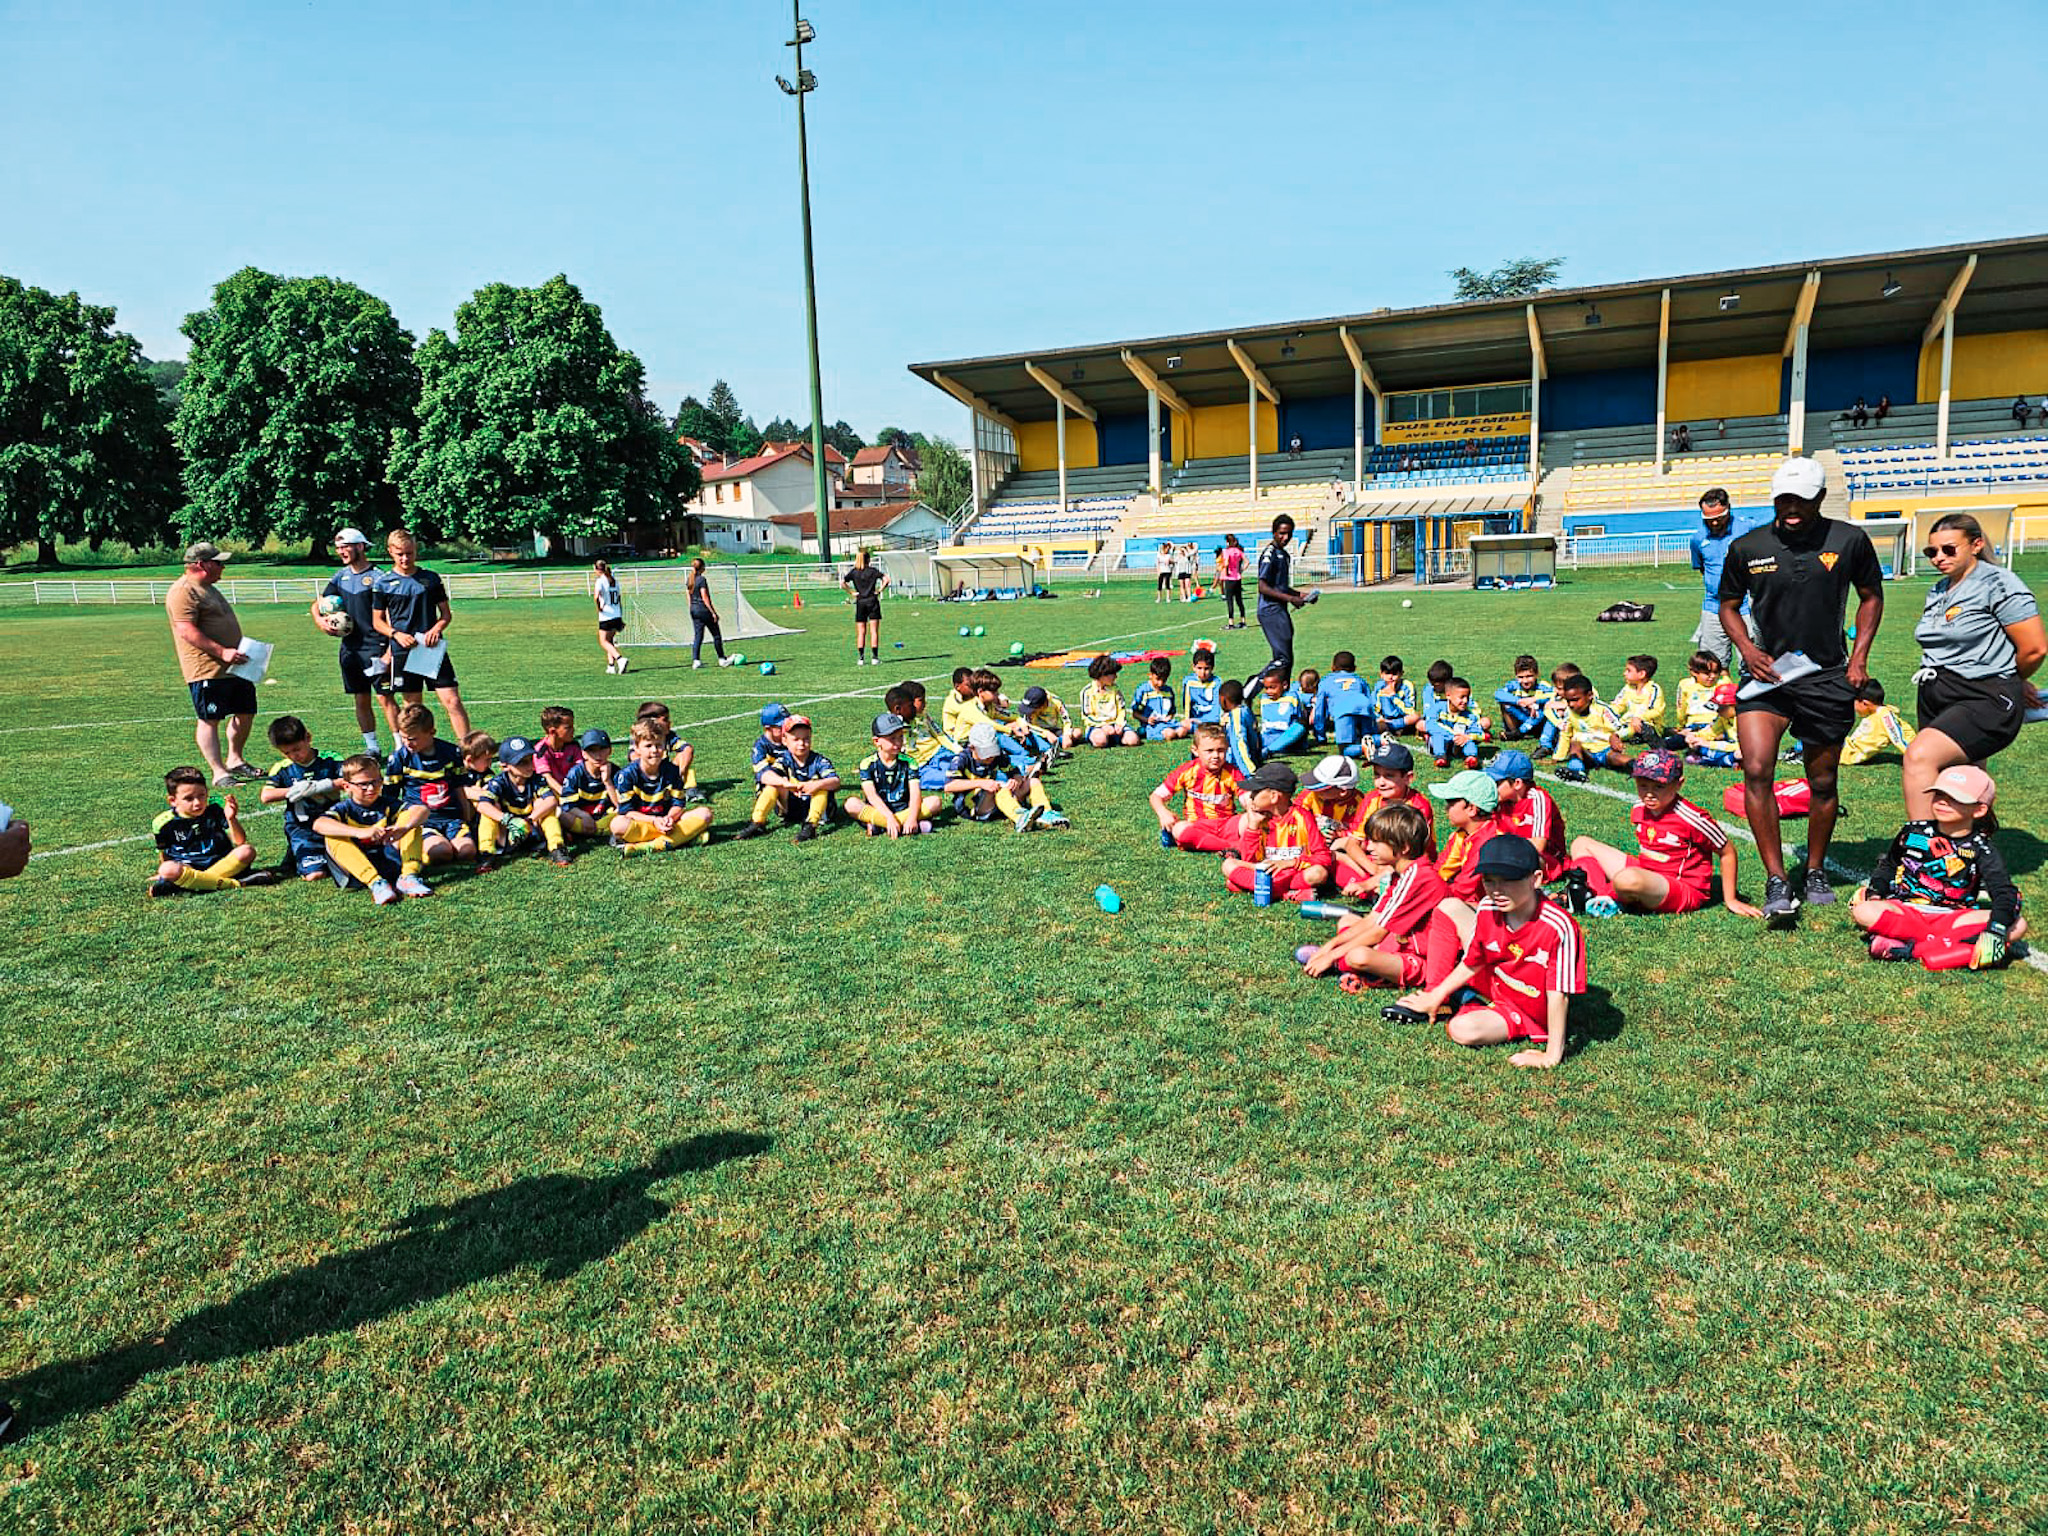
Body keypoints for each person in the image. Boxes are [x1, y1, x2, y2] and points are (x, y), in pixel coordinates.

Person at [1718, 456, 1885, 926]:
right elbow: (1727, 605)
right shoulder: (1747, 546)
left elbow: (1872, 596)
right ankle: (1776, 878)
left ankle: (1814, 871)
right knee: (1756, 770)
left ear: (1819, 499)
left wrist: (1858, 659)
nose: (1791, 509)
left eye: (1801, 501)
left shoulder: (1849, 540)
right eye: (1783, 501)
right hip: (1767, 675)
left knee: (1824, 781)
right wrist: (1747, 649)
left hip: (1827, 674)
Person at [1393, 834, 1584, 1071]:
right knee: (1448, 907)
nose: (1497, 890)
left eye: (1509, 880)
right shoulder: (1487, 907)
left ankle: (1465, 1000)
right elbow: (1473, 960)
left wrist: (1551, 1055)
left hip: (1525, 1008)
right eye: (1489, 881)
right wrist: (1435, 994)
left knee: (1462, 1029)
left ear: (1536, 879)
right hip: (1496, 982)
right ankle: (1441, 996)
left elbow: (1558, 995)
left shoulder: (1558, 925)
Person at [1900, 511, 2045, 819]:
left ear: (1976, 545)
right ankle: (1970, 853)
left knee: (1919, 757)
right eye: (1932, 551)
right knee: (1959, 781)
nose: (1939, 557)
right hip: (1938, 693)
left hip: (1983, 695)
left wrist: (2014, 679)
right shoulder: (1939, 590)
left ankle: (1920, 851)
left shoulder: (1999, 583)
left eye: (1949, 549)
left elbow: (2034, 648)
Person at [1852, 765, 2024, 971]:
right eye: (1939, 794)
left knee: (2018, 925)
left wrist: (1995, 930)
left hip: (1953, 917)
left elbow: (2004, 892)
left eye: (1955, 798)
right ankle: (1954, 947)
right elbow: (1889, 864)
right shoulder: (1913, 831)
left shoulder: (1981, 848)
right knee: (1864, 910)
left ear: (1979, 809)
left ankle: (1911, 948)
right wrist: (1875, 892)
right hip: (1908, 910)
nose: (1943, 801)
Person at [1561, 749, 1760, 919]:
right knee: (1581, 843)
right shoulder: (1640, 806)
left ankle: (1598, 896)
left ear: (1679, 784)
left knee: (1627, 879)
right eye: (1643, 785)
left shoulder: (1692, 818)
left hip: (1682, 888)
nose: (1649, 793)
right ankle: (1591, 895)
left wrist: (1731, 899)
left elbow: (1727, 852)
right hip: (1647, 872)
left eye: (1659, 786)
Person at [1298, 804, 1442, 988]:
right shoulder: (1399, 873)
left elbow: (1378, 931)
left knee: (1358, 956)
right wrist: (1329, 946)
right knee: (1347, 921)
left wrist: (1332, 955)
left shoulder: (1419, 877)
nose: (1368, 846)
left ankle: (1343, 966)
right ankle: (1347, 963)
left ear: (1403, 847)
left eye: (1376, 842)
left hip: (1421, 959)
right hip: (1399, 941)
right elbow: (1374, 918)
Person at [164, 540, 259, 789]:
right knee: (210, 718)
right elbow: (185, 629)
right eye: (218, 563)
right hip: (206, 668)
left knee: (246, 711)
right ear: (200, 564)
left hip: (234, 665)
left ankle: (236, 759)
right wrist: (221, 651)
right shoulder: (183, 590)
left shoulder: (209, 587)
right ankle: (219, 771)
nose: (222, 567)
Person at [371, 530, 472, 740]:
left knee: (452, 700)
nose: (405, 558)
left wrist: (436, 629)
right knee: (413, 707)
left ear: (416, 550)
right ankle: (420, 750)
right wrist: (396, 634)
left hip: (431, 650)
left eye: (409, 553)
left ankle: (467, 747)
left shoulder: (430, 579)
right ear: (390, 552)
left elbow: (445, 615)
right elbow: (377, 622)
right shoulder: (383, 583)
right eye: (400, 554)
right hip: (404, 650)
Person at [312, 527, 397, 753]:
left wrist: (390, 650)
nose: (341, 551)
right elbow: (318, 603)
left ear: (360, 546)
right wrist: (320, 621)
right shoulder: (340, 577)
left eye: (345, 546)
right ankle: (373, 748)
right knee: (361, 699)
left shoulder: (380, 578)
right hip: (350, 650)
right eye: (338, 547)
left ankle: (401, 748)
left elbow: (391, 616)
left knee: (385, 698)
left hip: (376, 647)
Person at [312, 753, 433, 904]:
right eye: (363, 784)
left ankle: (409, 877)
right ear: (346, 786)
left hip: (390, 863)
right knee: (332, 835)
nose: (371, 788)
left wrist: (403, 828)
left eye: (376, 782)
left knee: (411, 820)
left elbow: (422, 810)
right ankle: (376, 884)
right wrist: (361, 832)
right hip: (357, 871)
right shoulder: (344, 809)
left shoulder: (387, 804)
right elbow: (319, 824)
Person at [148, 767, 272, 897]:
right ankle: (235, 883)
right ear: (173, 801)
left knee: (247, 851)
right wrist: (163, 874)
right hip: (189, 867)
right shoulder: (163, 822)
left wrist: (231, 818)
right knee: (167, 869)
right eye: (189, 799)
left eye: (201, 795)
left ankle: (196, 883)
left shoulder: (215, 807)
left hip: (221, 861)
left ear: (207, 792)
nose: (197, 803)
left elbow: (239, 841)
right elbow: (164, 853)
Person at [1221, 762, 1332, 902]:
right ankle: (1286, 894)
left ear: (1274, 796)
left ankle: (1254, 887)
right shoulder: (1258, 819)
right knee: (1228, 864)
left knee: (1318, 873)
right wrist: (1253, 827)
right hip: (1263, 872)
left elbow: (1324, 857)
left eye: (1256, 792)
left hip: (1292, 873)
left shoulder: (1303, 817)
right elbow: (1248, 860)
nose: (1251, 796)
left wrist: (1289, 863)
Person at [386, 703, 476, 869]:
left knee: (467, 852)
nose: (406, 743)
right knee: (441, 853)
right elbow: (389, 797)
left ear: (431, 732)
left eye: (412, 739)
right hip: (422, 821)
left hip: (451, 818)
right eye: (403, 737)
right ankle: (417, 853)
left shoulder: (451, 752)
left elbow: (459, 787)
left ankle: (446, 841)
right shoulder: (400, 758)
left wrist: (466, 816)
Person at [257, 715, 344, 882]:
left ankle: (299, 855)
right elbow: (266, 795)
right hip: (302, 828)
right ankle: (300, 855)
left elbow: (350, 780)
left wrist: (320, 786)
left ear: (308, 738)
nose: (293, 755)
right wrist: (295, 790)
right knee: (315, 875)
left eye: (296, 749)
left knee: (348, 864)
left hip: (334, 823)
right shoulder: (283, 768)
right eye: (287, 752)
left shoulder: (331, 759)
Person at [609, 719, 713, 853]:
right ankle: (681, 838)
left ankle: (647, 846)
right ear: (637, 748)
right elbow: (627, 811)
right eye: (648, 746)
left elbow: (678, 804)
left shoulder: (672, 771)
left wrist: (669, 818)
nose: (654, 750)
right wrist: (654, 820)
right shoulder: (627, 775)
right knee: (617, 825)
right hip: (643, 821)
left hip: (668, 822)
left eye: (659, 745)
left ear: (664, 746)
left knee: (705, 813)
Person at [471, 736, 570, 872]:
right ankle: (486, 854)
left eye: (530, 760)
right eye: (521, 763)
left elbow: (551, 800)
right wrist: (508, 820)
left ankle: (557, 848)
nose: (530, 766)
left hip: (533, 830)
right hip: (508, 835)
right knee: (489, 812)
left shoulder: (537, 779)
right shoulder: (498, 783)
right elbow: (482, 805)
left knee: (545, 807)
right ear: (505, 766)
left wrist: (528, 821)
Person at [738, 714, 842, 842]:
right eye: (796, 739)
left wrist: (817, 785)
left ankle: (811, 826)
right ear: (785, 741)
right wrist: (785, 783)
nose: (802, 744)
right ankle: (757, 822)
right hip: (791, 808)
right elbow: (766, 776)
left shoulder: (820, 761)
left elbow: (836, 782)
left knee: (822, 788)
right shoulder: (784, 759)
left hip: (821, 811)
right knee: (773, 785)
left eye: (806, 739)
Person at [1152, 724, 1245, 851]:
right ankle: (1232, 846)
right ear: (1195, 751)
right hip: (1197, 826)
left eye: (1221, 750)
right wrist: (1163, 813)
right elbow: (1156, 796)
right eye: (1209, 751)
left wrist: (1252, 809)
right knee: (1180, 829)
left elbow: (1246, 798)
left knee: (1251, 821)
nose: (1215, 756)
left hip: (1227, 824)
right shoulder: (1187, 771)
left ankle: (1211, 843)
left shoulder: (1232, 772)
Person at [1689, 489, 1751, 669]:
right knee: (1711, 665)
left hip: (1746, 607)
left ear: (1729, 509)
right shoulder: (1697, 538)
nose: (1714, 522)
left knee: (1752, 663)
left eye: (1719, 517)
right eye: (1708, 519)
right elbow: (1702, 568)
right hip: (1713, 607)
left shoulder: (1748, 529)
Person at [846, 712, 930, 838]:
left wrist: (912, 817)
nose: (898, 742)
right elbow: (872, 796)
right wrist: (889, 817)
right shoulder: (867, 764)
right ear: (876, 741)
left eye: (900, 737)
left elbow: (915, 794)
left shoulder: (910, 762)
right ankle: (899, 824)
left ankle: (880, 825)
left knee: (935, 802)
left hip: (904, 808)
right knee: (851, 804)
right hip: (879, 809)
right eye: (892, 739)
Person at [1488, 750, 1567, 880]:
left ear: (1517, 783)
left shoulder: (1538, 799)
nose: (1491, 788)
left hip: (1545, 859)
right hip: (1510, 852)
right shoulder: (1500, 800)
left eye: (1496, 783)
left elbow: (1538, 845)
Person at [1254, 515, 1310, 685]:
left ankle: (1281, 693)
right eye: (1281, 533)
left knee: (1287, 659)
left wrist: (1301, 595)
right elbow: (1262, 587)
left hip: (1280, 610)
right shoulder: (1269, 554)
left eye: (1289, 534)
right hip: (1270, 611)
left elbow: (1280, 587)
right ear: (1274, 532)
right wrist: (1291, 598)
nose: (1285, 538)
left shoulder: (1284, 555)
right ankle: (1248, 690)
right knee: (1282, 658)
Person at [1551, 675, 1631, 780]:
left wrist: (1615, 736)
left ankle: (1641, 767)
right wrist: (1558, 757)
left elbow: (1623, 728)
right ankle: (1577, 771)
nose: (1571, 704)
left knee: (1617, 758)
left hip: (1605, 751)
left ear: (1589, 695)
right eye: (1568, 701)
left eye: (1575, 700)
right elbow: (1565, 734)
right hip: (1587, 754)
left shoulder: (1603, 710)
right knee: (1575, 744)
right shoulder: (1569, 713)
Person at [556, 729, 618, 842]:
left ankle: (585, 833)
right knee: (561, 814)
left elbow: (620, 805)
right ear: (584, 754)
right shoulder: (575, 773)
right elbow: (567, 804)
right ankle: (602, 831)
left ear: (610, 750)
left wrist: (608, 782)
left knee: (623, 815)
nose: (598, 755)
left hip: (605, 816)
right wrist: (584, 815)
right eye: (592, 751)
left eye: (602, 749)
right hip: (581, 817)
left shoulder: (615, 771)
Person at [1314, 651, 1377, 758]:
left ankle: (1362, 748)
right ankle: (1381, 740)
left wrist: (1320, 736)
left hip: (1343, 710)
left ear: (1332, 667)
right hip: (1364, 707)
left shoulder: (1325, 681)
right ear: (1354, 668)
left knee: (1345, 750)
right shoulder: (1360, 680)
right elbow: (1370, 701)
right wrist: (1374, 729)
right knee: (1368, 738)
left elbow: (1320, 710)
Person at [1841, 679, 1918, 766]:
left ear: (1865, 703)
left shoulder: (1885, 717)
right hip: (1846, 747)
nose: (1853, 708)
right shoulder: (1879, 714)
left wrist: (1918, 758)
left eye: (1853, 703)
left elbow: (1897, 737)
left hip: (1846, 754)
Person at [1426, 677, 1490, 768]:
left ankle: (1471, 758)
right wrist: (1454, 736)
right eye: (1462, 697)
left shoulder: (1470, 715)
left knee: (1469, 741)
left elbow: (1478, 732)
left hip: (1459, 743)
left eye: (1467, 697)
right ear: (1448, 696)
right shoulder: (1438, 708)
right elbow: (1430, 725)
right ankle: (1440, 757)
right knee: (1437, 735)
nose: (1465, 701)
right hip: (1443, 739)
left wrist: (1467, 737)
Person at [842, 548, 890, 666]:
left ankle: (861, 658)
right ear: (868, 559)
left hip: (860, 602)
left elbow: (843, 583)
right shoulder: (873, 571)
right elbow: (887, 579)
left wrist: (852, 592)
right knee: (874, 631)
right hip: (872, 601)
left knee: (861, 632)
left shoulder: (854, 572)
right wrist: (880, 590)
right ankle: (874, 657)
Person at [686, 557, 734, 669]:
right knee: (716, 635)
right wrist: (713, 612)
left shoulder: (690, 579)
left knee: (698, 636)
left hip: (694, 610)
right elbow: (705, 597)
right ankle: (722, 659)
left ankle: (696, 661)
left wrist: (692, 608)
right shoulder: (701, 580)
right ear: (702, 567)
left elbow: (688, 595)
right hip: (703, 610)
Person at [1081, 656, 1139, 747]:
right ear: (1103, 675)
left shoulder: (1115, 690)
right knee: (1100, 740)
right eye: (1113, 674)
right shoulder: (1087, 692)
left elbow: (1121, 709)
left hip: (1115, 725)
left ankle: (1114, 738)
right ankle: (1102, 738)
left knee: (1133, 740)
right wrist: (1103, 726)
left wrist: (1119, 724)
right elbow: (1087, 716)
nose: (1116, 677)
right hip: (1097, 726)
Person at [1494, 654, 1551, 741]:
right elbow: (1498, 694)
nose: (1525, 681)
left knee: (1547, 706)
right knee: (1504, 703)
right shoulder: (1514, 685)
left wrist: (1534, 700)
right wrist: (1519, 701)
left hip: (1538, 721)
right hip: (1520, 719)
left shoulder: (1542, 687)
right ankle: (1514, 731)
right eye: (1520, 677)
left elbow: (1554, 695)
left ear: (1536, 674)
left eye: (1529, 676)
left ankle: (1519, 733)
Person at [1132, 658, 1189, 742]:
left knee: (1182, 731)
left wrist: (1169, 717)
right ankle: (1146, 732)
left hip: (1167, 723)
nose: (1161, 683)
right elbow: (1135, 714)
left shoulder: (1168, 691)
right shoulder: (1143, 690)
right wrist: (1147, 720)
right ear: (1150, 675)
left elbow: (1172, 712)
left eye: (1164, 680)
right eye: (1158, 679)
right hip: (1152, 725)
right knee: (1170, 734)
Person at [1613, 655, 1666, 743]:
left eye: (1628, 671)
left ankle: (1616, 737)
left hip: (1648, 724)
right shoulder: (1627, 688)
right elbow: (1618, 706)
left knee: (1643, 729)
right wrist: (1607, 714)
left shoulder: (1653, 689)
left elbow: (1656, 711)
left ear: (1641, 674)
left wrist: (1639, 718)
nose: (1624, 673)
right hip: (1628, 723)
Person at [1256, 670, 1309, 756]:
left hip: (1288, 739)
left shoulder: (1293, 697)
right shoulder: (1264, 699)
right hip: (1267, 738)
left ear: (1284, 685)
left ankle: (1270, 751)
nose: (1269, 691)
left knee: (1301, 724)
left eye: (1272, 687)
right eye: (1266, 688)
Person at [592, 559, 628, 675]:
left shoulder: (600, 581)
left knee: (603, 641)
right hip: (616, 614)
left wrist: (599, 608)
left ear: (597, 569)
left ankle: (620, 659)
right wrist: (620, 617)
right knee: (610, 641)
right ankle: (611, 666)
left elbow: (596, 597)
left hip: (606, 615)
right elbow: (619, 600)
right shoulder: (614, 581)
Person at [1020, 685, 1080, 751]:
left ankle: (1055, 742)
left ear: (1043, 705)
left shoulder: (1056, 701)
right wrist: (1046, 733)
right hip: (1036, 731)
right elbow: (1026, 724)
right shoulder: (1028, 707)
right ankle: (1047, 746)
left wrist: (1067, 735)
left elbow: (1066, 720)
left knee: (1077, 733)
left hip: (1053, 729)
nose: (1031, 711)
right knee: (1031, 737)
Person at [1181, 644, 1224, 723]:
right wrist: (1188, 720)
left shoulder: (1217, 682)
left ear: (1212, 668)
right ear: (1193, 667)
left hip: (1212, 721)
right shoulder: (1188, 682)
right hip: (1194, 721)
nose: (1203, 672)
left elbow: (1217, 709)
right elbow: (1186, 706)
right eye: (1199, 668)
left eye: (1206, 669)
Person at [1217, 535, 1249, 629]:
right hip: (1237, 578)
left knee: (1230, 601)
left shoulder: (1226, 551)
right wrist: (1241, 570)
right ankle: (1243, 621)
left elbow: (1226, 563)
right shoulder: (1238, 551)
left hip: (1229, 578)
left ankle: (1231, 623)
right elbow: (1247, 561)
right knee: (1239, 600)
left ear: (1227, 542)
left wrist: (1223, 568)